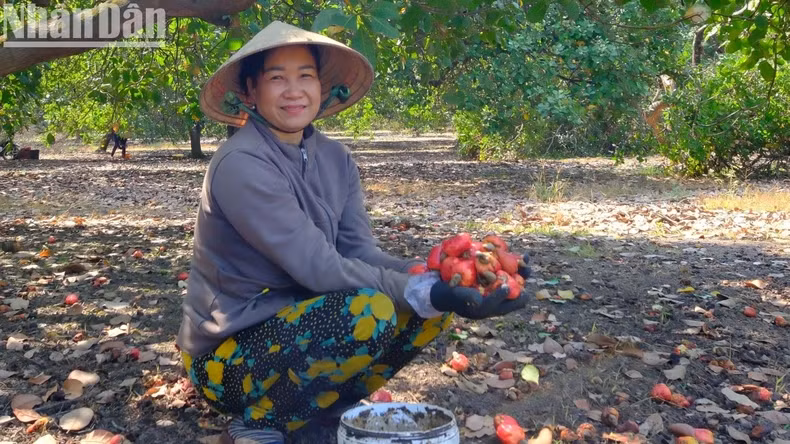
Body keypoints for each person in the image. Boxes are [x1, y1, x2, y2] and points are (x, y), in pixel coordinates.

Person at [177, 21, 531, 444]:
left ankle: (326, 410)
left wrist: (443, 275)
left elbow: (359, 250)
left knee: (426, 311)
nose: (294, 90)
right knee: (373, 310)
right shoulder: (241, 164)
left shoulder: (335, 158)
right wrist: (423, 289)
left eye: (305, 76)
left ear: (322, 87)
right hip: (227, 361)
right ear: (251, 92)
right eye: (277, 78)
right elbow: (319, 267)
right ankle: (261, 420)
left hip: (299, 331)